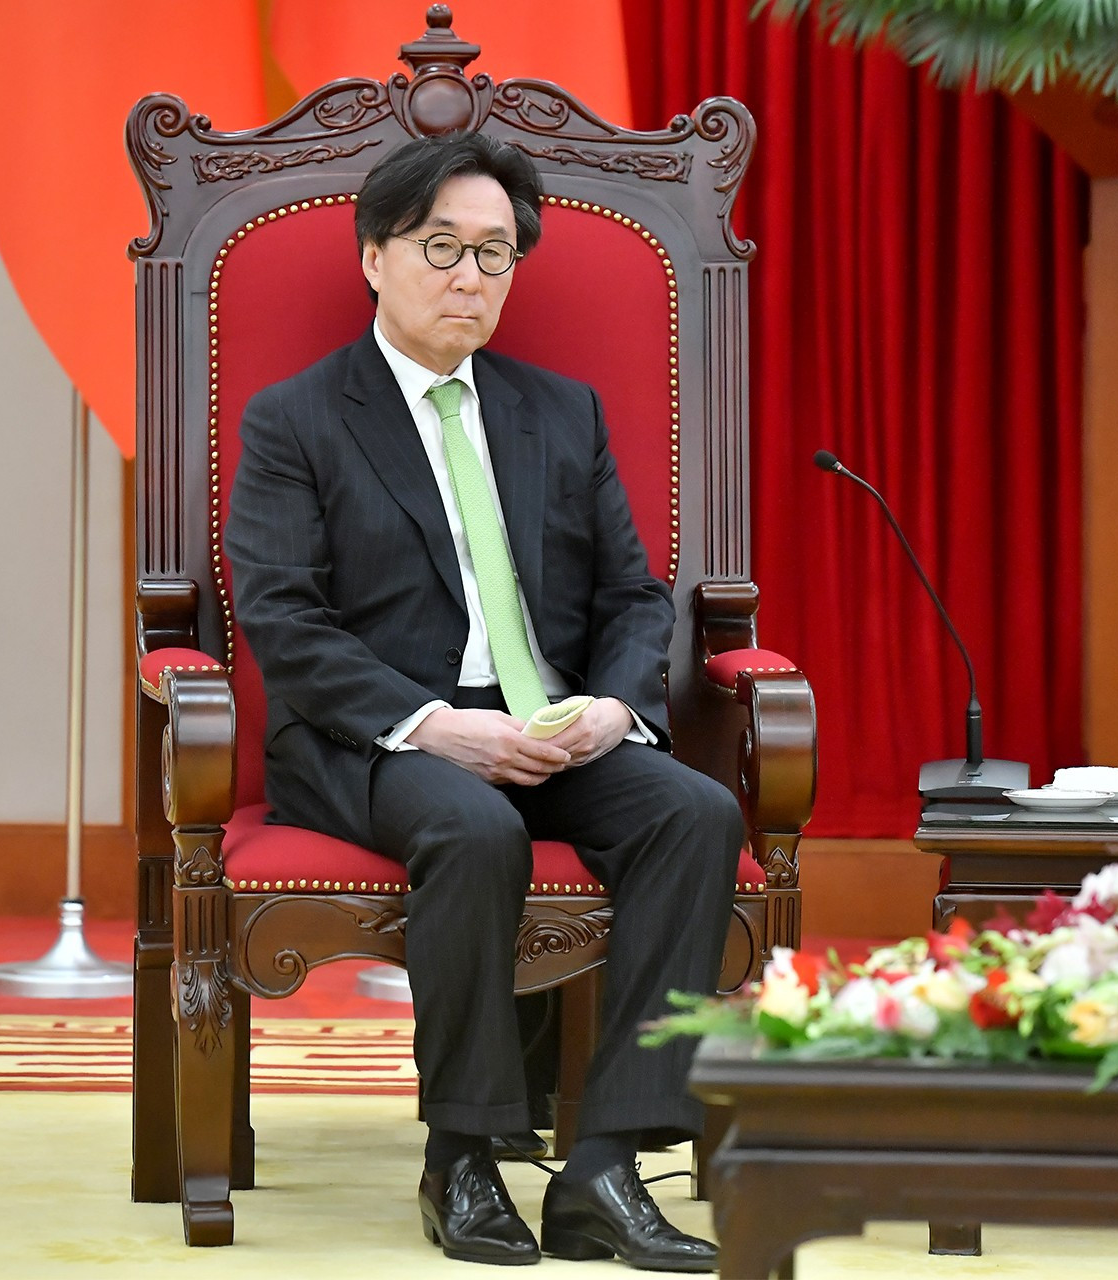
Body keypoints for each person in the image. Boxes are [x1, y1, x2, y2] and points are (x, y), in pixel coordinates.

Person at [225, 130, 742, 1270]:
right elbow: (284, 619)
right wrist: (435, 728)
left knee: (695, 813)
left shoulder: (561, 412)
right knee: (471, 823)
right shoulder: (296, 419)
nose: (469, 277)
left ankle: (606, 1163)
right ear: (374, 256)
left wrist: (612, 708)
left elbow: (631, 593)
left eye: (495, 253)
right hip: (379, 735)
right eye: (441, 247)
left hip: (546, 723)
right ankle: (461, 1153)